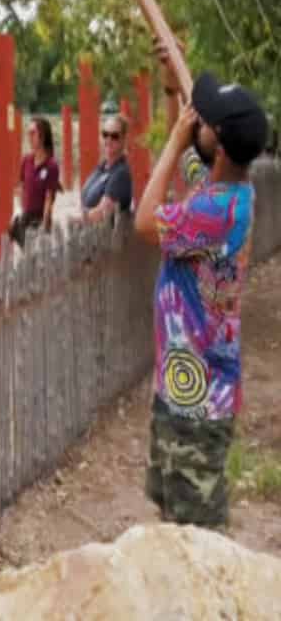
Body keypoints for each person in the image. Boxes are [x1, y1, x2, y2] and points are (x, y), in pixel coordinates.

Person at [135, 45, 268, 529]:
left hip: (200, 403)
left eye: (203, 120)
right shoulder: (222, 185)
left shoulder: (220, 212)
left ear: (222, 146)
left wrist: (172, 139)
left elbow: (146, 222)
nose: (196, 121)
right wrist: (173, 88)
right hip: (183, 387)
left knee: (200, 534)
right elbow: (191, 164)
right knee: (174, 518)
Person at [8, 116, 60, 248]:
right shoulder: (26, 160)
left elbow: (49, 198)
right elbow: (20, 187)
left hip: (39, 220)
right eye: (28, 133)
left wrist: (44, 224)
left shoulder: (51, 165)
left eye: (33, 133)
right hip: (25, 218)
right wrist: (19, 212)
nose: (29, 137)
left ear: (42, 136)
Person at [80, 113, 133, 223]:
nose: (108, 140)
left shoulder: (120, 173)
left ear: (124, 139)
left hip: (107, 237)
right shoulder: (101, 167)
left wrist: (76, 219)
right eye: (105, 134)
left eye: (114, 136)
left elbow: (102, 213)